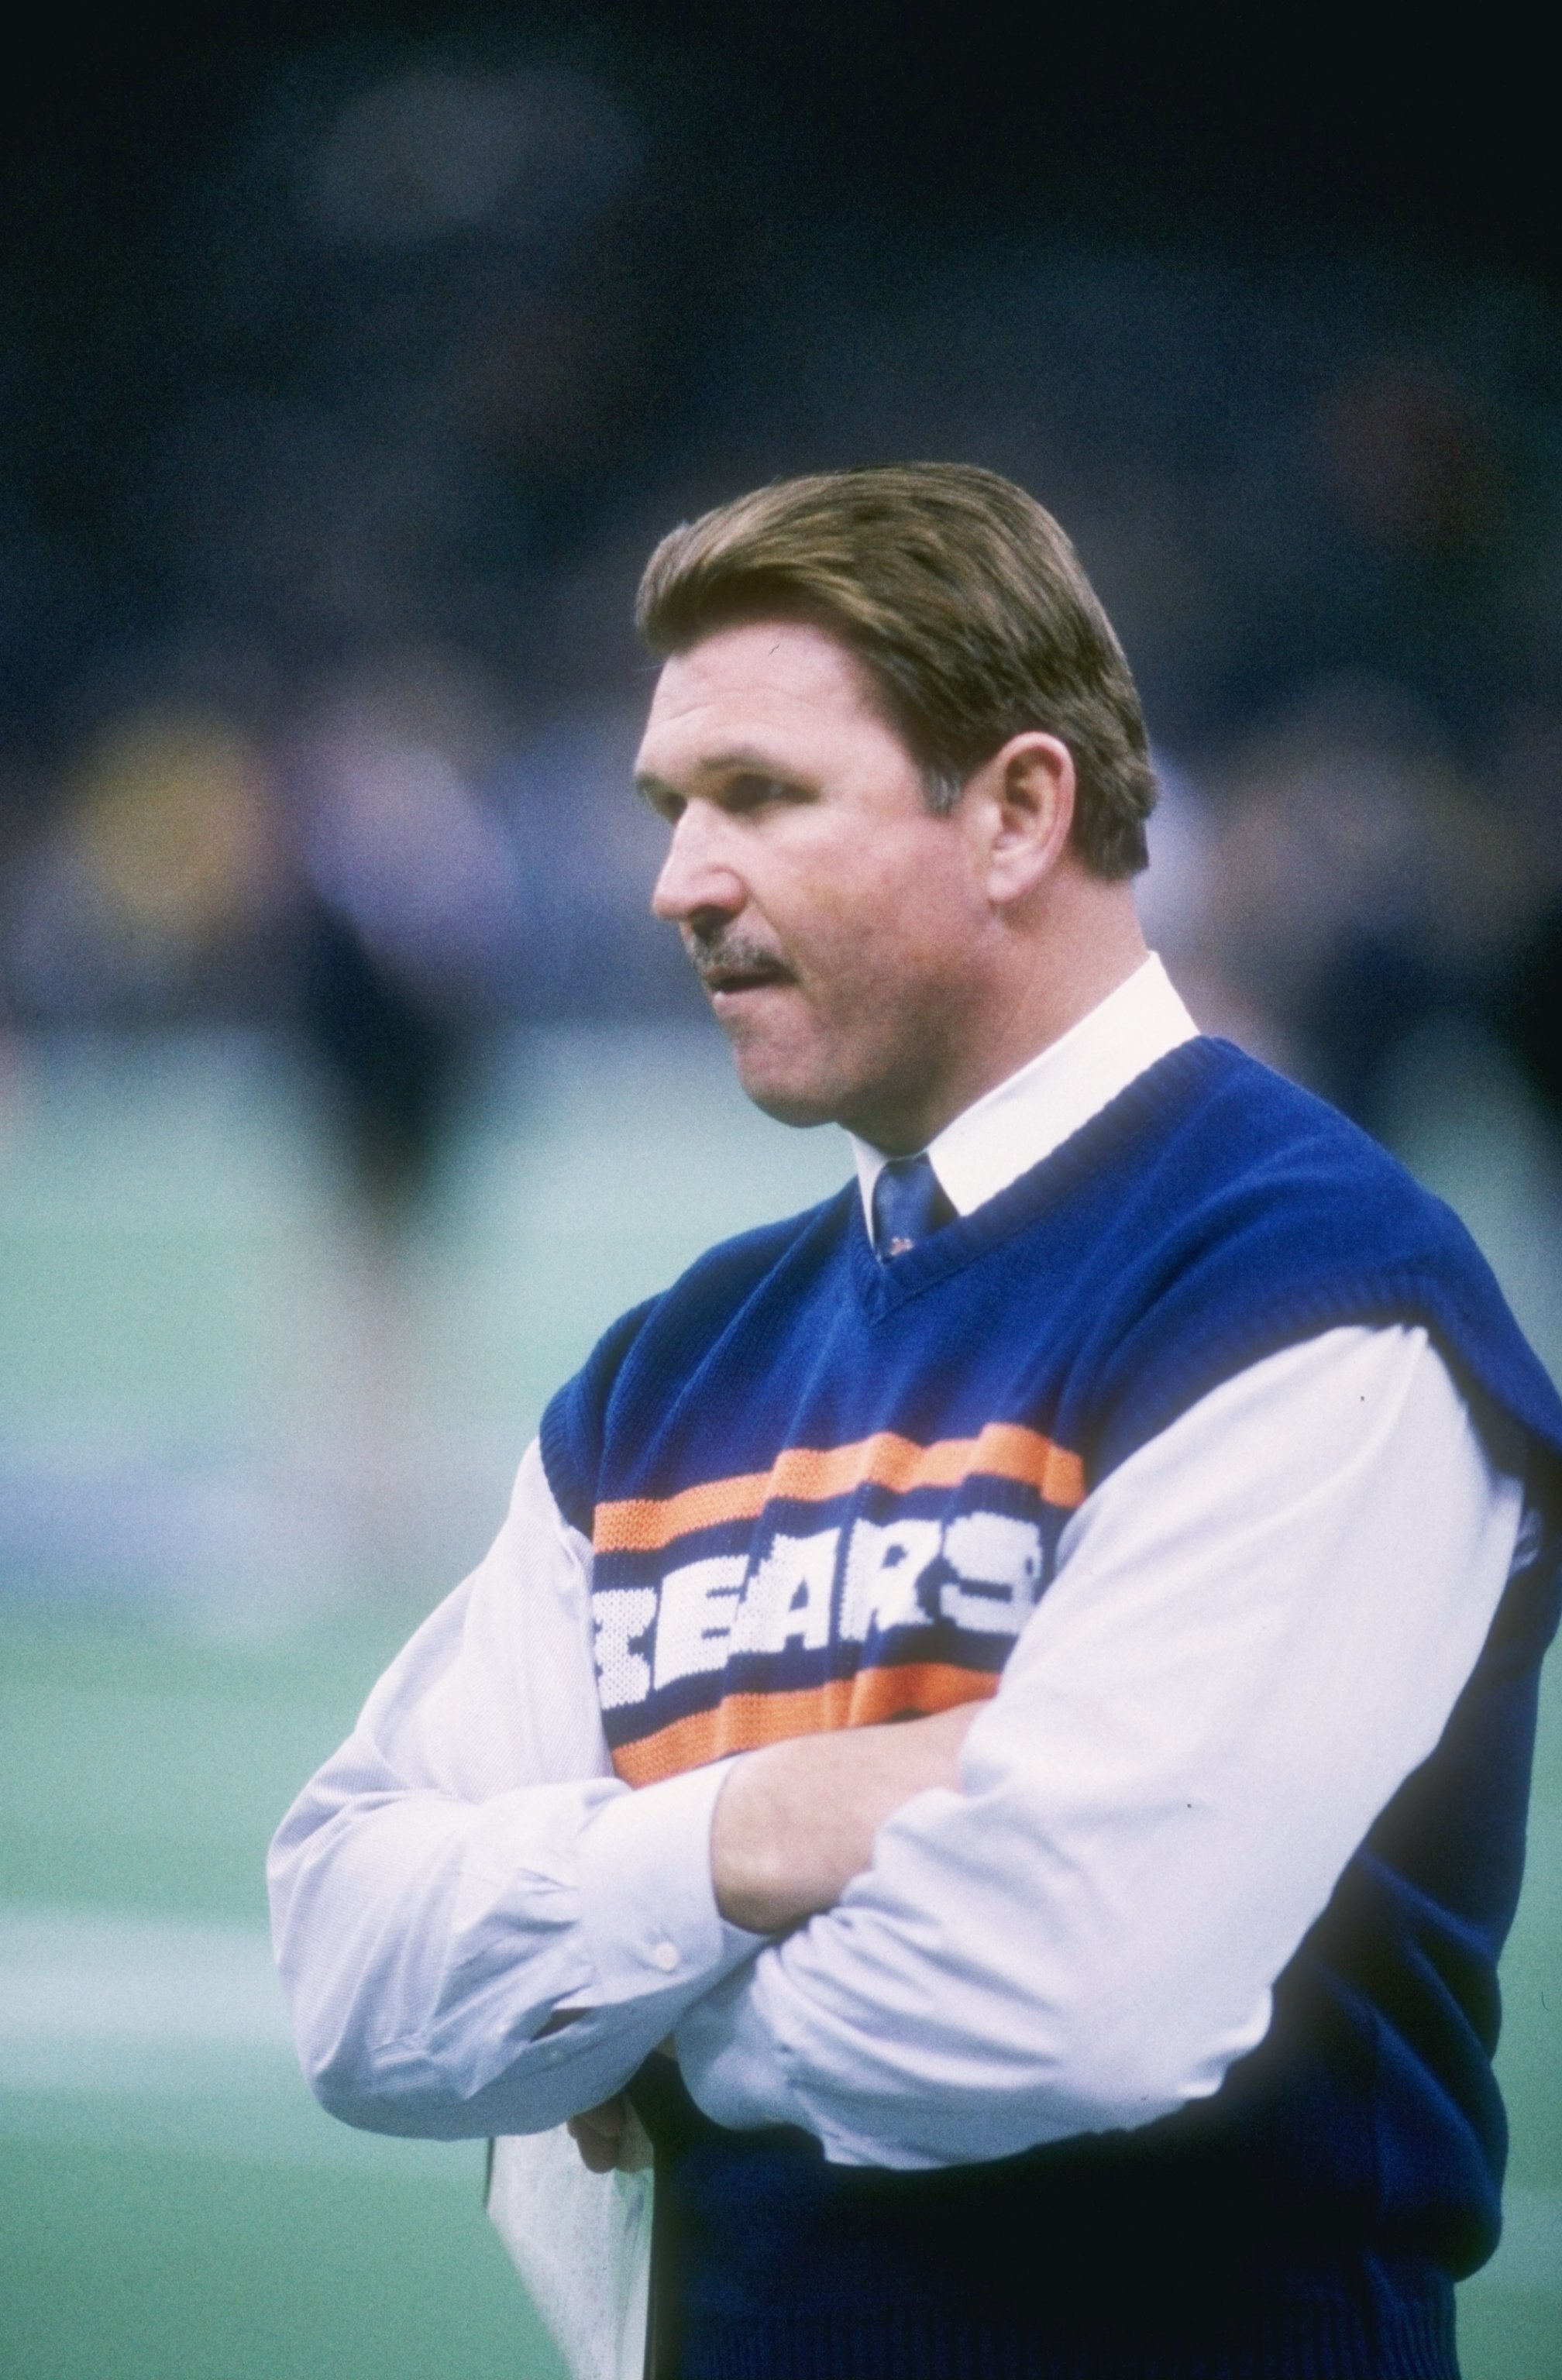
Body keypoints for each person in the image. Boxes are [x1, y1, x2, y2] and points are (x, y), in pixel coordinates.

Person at [270, 464, 1562, 2379]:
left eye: (760, 795)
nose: (679, 881)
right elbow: (348, 1967)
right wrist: (761, 1830)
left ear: (1021, 810)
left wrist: (620, 2009)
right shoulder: (669, 1369)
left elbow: (1062, 1999)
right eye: (672, 808)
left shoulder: (1315, 1288)